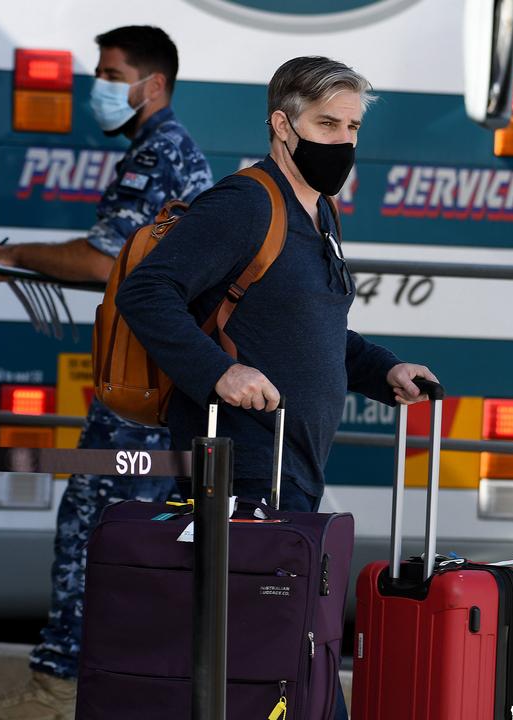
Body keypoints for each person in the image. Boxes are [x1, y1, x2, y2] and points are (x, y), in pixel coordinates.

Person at [115, 56, 438, 719]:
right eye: (326, 123)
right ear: (281, 124)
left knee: (283, 657)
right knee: (278, 657)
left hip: (293, 469)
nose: (342, 141)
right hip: (242, 468)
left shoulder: (320, 214)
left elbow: (316, 335)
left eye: (351, 127)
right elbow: (146, 292)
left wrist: (385, 372)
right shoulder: (245, 204)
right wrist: (218, 373)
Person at [0, 26, 212, 720]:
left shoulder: (157, 153)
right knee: (128, 537)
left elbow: (108, 262)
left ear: (152, 85)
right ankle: (105, 690)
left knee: (93, 532)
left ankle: (58, 694)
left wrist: (15, 255)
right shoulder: (165, 151)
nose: (97, 87)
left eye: (109, 73)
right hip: (156, 387)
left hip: (141, 392)